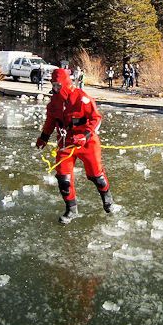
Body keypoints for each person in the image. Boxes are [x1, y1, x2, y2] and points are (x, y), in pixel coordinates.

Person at [35, 68, 114, 224]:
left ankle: (108, 201)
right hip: (65, 144)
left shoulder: (82, 99)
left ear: (65, 84)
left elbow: (96, 119)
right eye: (53, 85)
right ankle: (71, 210)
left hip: (87, 143)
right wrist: (44, 137)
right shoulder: (54, 103)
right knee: (63, 178)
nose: (55, 89)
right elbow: (51, 121)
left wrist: (84, 135)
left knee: (96, 176)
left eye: (58, 85)